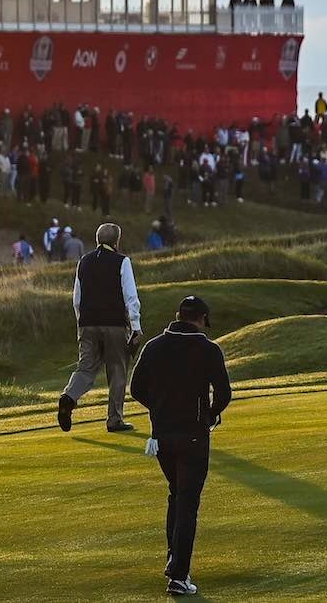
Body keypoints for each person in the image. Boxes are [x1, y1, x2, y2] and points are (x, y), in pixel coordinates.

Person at [130, 294, 232, 597]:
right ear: (201, 319)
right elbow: (224, 394)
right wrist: (209, 415)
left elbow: (137, 389)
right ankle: (178, 574)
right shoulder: (208, 348)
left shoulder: (153, 347)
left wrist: (160, 408)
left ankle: (173, 560)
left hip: (161, 437)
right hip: (193, 436)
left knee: (176, 495)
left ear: (179, 315)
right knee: (187, 503)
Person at [57, 222, 144, 433]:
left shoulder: (83, 262)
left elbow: (77, 298)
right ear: (117, 241)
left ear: (97, 240)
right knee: (117, 371)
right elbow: (130, 297)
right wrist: (136, 327)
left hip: (87, 324)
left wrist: (82, 321)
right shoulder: (122, 261)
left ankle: (69, 397)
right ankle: (114, 420)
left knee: (85, 367)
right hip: (114, 324)